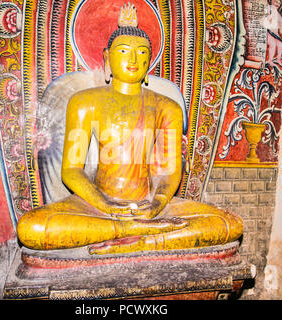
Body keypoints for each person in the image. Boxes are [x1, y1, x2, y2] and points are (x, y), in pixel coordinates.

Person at [17, 3, 243, 255]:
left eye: (142, 52)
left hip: (149, 205)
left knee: (230, 224)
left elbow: (169, 173)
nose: (133, 59)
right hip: (97, 207)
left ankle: (143, 237)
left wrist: (156, 204)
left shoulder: (167, 107)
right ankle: (130, 231)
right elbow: (71, 170)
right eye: (124, 51)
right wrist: (105, 205)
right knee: (30, 228)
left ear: (149, 61)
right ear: (107, 58)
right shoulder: (84, 102)